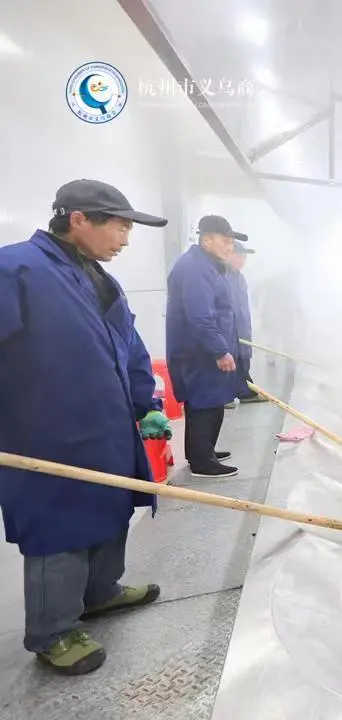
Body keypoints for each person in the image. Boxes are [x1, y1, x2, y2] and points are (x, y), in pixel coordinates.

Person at [0, 179, 169, 675]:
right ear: (78, 219)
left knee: (109, 510)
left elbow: (129, 345)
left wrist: (146, 403)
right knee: (61, 528)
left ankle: (99, 593)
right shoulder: (16, 269)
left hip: (107, 428)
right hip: (44, 437)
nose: (125, 239)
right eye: (119, 227)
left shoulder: (99, 278)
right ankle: (53, 631)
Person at [166, 215, 248, 479]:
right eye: (225, 241)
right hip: (199, 353)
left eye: (231, 243)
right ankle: (203, 462)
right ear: (207, 240)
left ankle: (203, 452)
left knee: (209, 403)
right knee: (204, 403)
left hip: (203, 350)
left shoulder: (206, 265)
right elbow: (200, 315)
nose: (229, 248)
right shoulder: (194, 268)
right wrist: (219, 350)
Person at [226, 244, 266, 404]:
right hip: (229, 330)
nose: (242, 261)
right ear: (229, 255)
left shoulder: (239, 278)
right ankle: (225, 396)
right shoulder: (222, 276)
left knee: (243, 362)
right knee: (229, 363)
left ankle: (245, 393)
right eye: (239, 256)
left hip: (242, 328)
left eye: (244, 258)